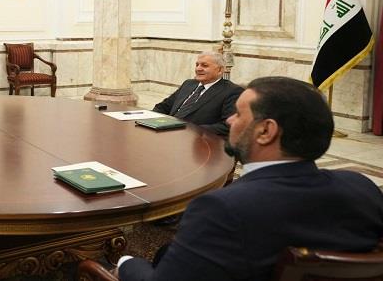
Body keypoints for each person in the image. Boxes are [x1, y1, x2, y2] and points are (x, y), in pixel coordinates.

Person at [116, 76, 383, 281]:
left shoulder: (221, 209)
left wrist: (126, 263)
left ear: (265, 131)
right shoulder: (362, 187)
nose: (229, 120)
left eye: (239, 113)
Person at [152, 51, 243, 135]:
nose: (198, 69)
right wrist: (150, 120)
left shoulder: (232, 91)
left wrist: (191, 130)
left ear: (219, 70)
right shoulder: (188, 84)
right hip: (166, 131)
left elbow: (227, 126)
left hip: (196, 139)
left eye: (204, 65)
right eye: (197, 65)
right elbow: (163, 107)